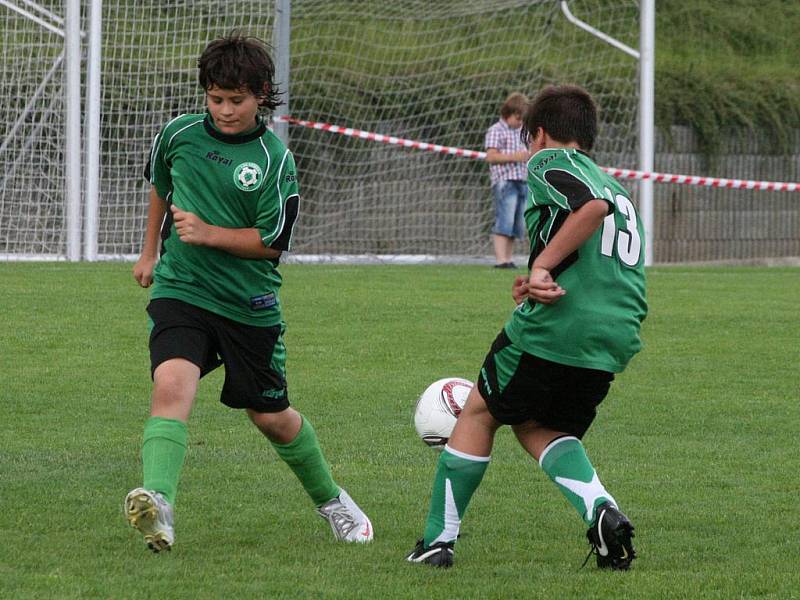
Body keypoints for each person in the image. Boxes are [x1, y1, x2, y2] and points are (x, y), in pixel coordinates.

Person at [125, 32, 373, 553]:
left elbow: (272, 244)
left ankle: (333, 501)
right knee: (171, 387)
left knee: (272, 418)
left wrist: (209, 231)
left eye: (236, 100)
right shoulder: (178, 134)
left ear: (261, 94)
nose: (225, 110)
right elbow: (160, 187)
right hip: (183, 288)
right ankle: (159, 504)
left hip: (248, 306)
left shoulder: (275, 160)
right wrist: (150, 252)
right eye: (216, 99)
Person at [406, 84, 647, 570]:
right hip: (615, 333)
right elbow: (594, 240)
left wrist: (540, 270)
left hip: (558, 328)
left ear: (538, 133)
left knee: (478, 413)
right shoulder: (617, 185)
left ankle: (437, 542)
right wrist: (541, 272)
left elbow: (588, 208)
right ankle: (601, 511)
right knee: (541, 425)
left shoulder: (546, 161)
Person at [484, 92, 531, 269]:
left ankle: (508, 259)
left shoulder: (522, 132)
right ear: (508, 113)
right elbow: (491, 157)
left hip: (522, 180)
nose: (520, 122)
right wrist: (515, 156)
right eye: (518, 118)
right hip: (505, 181)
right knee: (504, 219)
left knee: (517, 223)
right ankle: (500, 259)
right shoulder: (496, 130)